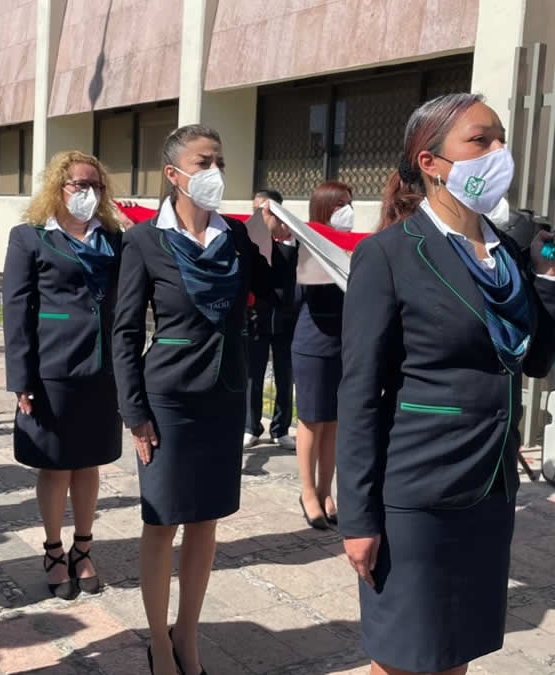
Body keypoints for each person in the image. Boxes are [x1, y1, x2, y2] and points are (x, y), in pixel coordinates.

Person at [338, 93, 555, 675]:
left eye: (500, 138)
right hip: (419, 491)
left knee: (455, 652)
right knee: (403, 657)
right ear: (431, 162)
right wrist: (358, 519)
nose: (498, 152)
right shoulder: (388, 255)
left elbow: (534, 361)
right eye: (479, 141)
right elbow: (361, 394)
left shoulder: (509, 255)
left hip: (490, 487)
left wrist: (551, 277)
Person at [112, 124, 289, 675]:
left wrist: (278, 240)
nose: (214, 171)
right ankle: (157, 642)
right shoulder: (145, 241)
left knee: (206, 520)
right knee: (162, 521)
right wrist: (135, 413)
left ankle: (186, 634)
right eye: (203, 161)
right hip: (168, 400)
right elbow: (123, 333)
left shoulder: (234, 235)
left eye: (219, 161)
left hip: (223, 395)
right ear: (174, 174)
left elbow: (274, 293)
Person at [2, 151, 124, 600]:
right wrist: (21, 377)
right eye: (78, 185)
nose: (87, 193)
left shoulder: (113, 238)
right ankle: (54, 551)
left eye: (95, 186)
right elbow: (16, 311)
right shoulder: (30, 238)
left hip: (101, 369)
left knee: (89, 462)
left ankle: (83, 548)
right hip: (51, 370)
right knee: (54, 466)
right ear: (58, 187)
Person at [294, 180, 354, 529]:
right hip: (313, 344)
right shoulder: (307, 247)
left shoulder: (352, 245)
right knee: (311, 421)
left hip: (342, 345)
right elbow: (298, 298)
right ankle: (307, 492)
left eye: (349, 203)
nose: (346, 210)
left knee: (332, 423)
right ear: (323, 209)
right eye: (339, 205)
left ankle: (325, 489)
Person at [244, 187, 298, 450]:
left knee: (284, 376)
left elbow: (288, 272)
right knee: (253, 375)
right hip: (256, 318)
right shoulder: (248, 240)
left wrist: (285, 238)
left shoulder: (292, 241)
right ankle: (251, 426)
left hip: (286, 318)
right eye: (255, 210)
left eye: (263, 210)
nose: (259, 216)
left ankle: (281, 428)